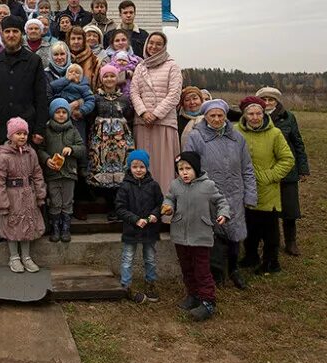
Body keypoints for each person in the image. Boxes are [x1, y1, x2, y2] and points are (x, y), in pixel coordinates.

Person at [0, 15, 48, 243]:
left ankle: (29, 227)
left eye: (15, 32)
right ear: (3, 34)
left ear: (22, 34)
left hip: (25, 131)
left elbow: (41, 97)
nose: (11, 35)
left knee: (25, 181)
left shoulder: (34, 62)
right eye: (7, 32)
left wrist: (38, 128)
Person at [183, 99, 257, 290]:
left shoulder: (237, 138)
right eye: (212, 116)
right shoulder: (196, 136)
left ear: (225, 116)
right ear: (205, 117)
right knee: (212, 232)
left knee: (234, 231)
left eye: (220, 115)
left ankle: (233, 269)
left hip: (234, 192)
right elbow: (189, 166)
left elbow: (247, 168)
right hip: (209, 193)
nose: (216, 119)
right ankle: (215, 272)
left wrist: (250, 195)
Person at [161, 152, 231, 322]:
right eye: (180, 169)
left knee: (202, 269)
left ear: (196, 169)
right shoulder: (175, 185)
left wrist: (223, 214)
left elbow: (221, 201)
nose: (184, 173)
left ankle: (208, 301)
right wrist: (168, 207)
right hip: (180, 235)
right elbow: (169, 199)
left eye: (188, 169)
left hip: (200, 235)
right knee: (187, 268)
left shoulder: (208, 186)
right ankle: (193, 295)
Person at [236, 96, 294, 275]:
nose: (254, 117)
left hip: (267, 189)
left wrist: (269, 176)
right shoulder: (235, 132)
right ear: (244, 115)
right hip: (244, 188)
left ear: (263, 113)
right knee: (249, 224)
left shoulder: (274, 134)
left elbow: (287, 159)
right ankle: (251, 256)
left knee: (269, 229)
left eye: (258, 113)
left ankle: (271, 262)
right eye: (250, 114)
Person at [257, 86, 310, 256]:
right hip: (265, 171)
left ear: (277, 101)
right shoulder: (255, 117)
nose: (267, 103)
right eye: (263, 100)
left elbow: (298, 143)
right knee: (265, 209)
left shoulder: (288, 118)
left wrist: (303, 168)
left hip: (288, 171)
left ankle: (291, 242)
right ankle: (267, 241)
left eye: (270, 99)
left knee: (289, 209)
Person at [130, 32, 182, 194]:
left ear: (164, 46)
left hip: (164, 123)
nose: (153, 47)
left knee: (164, 166)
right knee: (142, 166)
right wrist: (143, 112)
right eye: (151, 43)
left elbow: (174, 94)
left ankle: (165, 210)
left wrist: (156, 114)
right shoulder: (141, 66)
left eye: (158, 44)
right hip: (143, 123)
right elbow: (134, 92)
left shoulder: (172, 66)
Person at [0, 117, 47, 273]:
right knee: (13, 226)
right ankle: (14, 257)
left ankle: (26, 257)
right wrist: (3, 203)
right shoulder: (4, 156)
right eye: (18, 133)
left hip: (28, 195)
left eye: (24, 133)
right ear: (11, 135)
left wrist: (40, 193)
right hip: (12, 197)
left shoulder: (31, 153)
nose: (22, 137)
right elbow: (0, 181)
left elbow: (37, 173)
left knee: (27, 225)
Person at [115, 150, 164, 304]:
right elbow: (120, 208)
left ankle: (150, 284)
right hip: (131, 229)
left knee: (149, 258)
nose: (138, 170)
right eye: (135, 166)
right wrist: (135, 220)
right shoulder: (124, 186)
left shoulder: (154, 185)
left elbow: (160, 204)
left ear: (147, 167)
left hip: (150, 229)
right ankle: (126, 285)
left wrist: (155, 215)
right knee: (127, 258)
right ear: (130, 167)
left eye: (142, 167)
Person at [89, 64, 135, 218]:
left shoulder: (124, 98)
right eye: (106, 76)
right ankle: (110, 206)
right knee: (103, 169)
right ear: (102, 79)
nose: (109, 79)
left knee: (121, 169)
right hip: (102, 139)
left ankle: (119, 206)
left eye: (112, 76)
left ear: (117, 79)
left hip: (120, 139)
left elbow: (128, 115)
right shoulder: (96, 97)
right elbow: (92, 116)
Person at [38, 98, 84, 242]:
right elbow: (40, 149)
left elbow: (82, 148)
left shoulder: (73, 130)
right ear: (52, 114)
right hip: (53, 174)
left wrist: (72, 149)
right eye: (58, 112)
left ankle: (66, 228)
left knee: (67, 202)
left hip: (69, 172)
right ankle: (55, 228)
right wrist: (46, 160)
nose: (61, 115)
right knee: (55, 202)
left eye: (64, 112)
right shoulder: (46, 130)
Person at [49, 63, 94, 142]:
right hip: (61, 113)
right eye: (70, 72)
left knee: (78, 136)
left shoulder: (84, 86)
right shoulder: (62, 82)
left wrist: (81, 111)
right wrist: (66, 79)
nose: (73, 74)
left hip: (75, 116)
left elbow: (90, 100)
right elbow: (52, 86)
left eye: (77, 73)